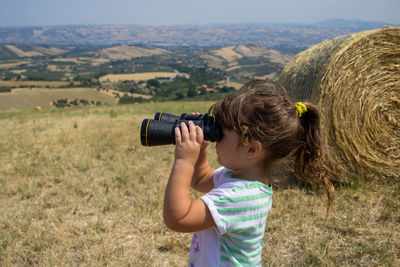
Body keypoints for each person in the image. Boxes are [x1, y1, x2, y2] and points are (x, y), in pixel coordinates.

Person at [163, 79, 337, 266]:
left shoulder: (241, 197)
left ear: (251, 149)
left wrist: (184, 160)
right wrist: (201, 150)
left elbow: (178, 219)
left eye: (221, 134)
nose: (216, 139)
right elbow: (201, 179)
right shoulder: (236, 177)